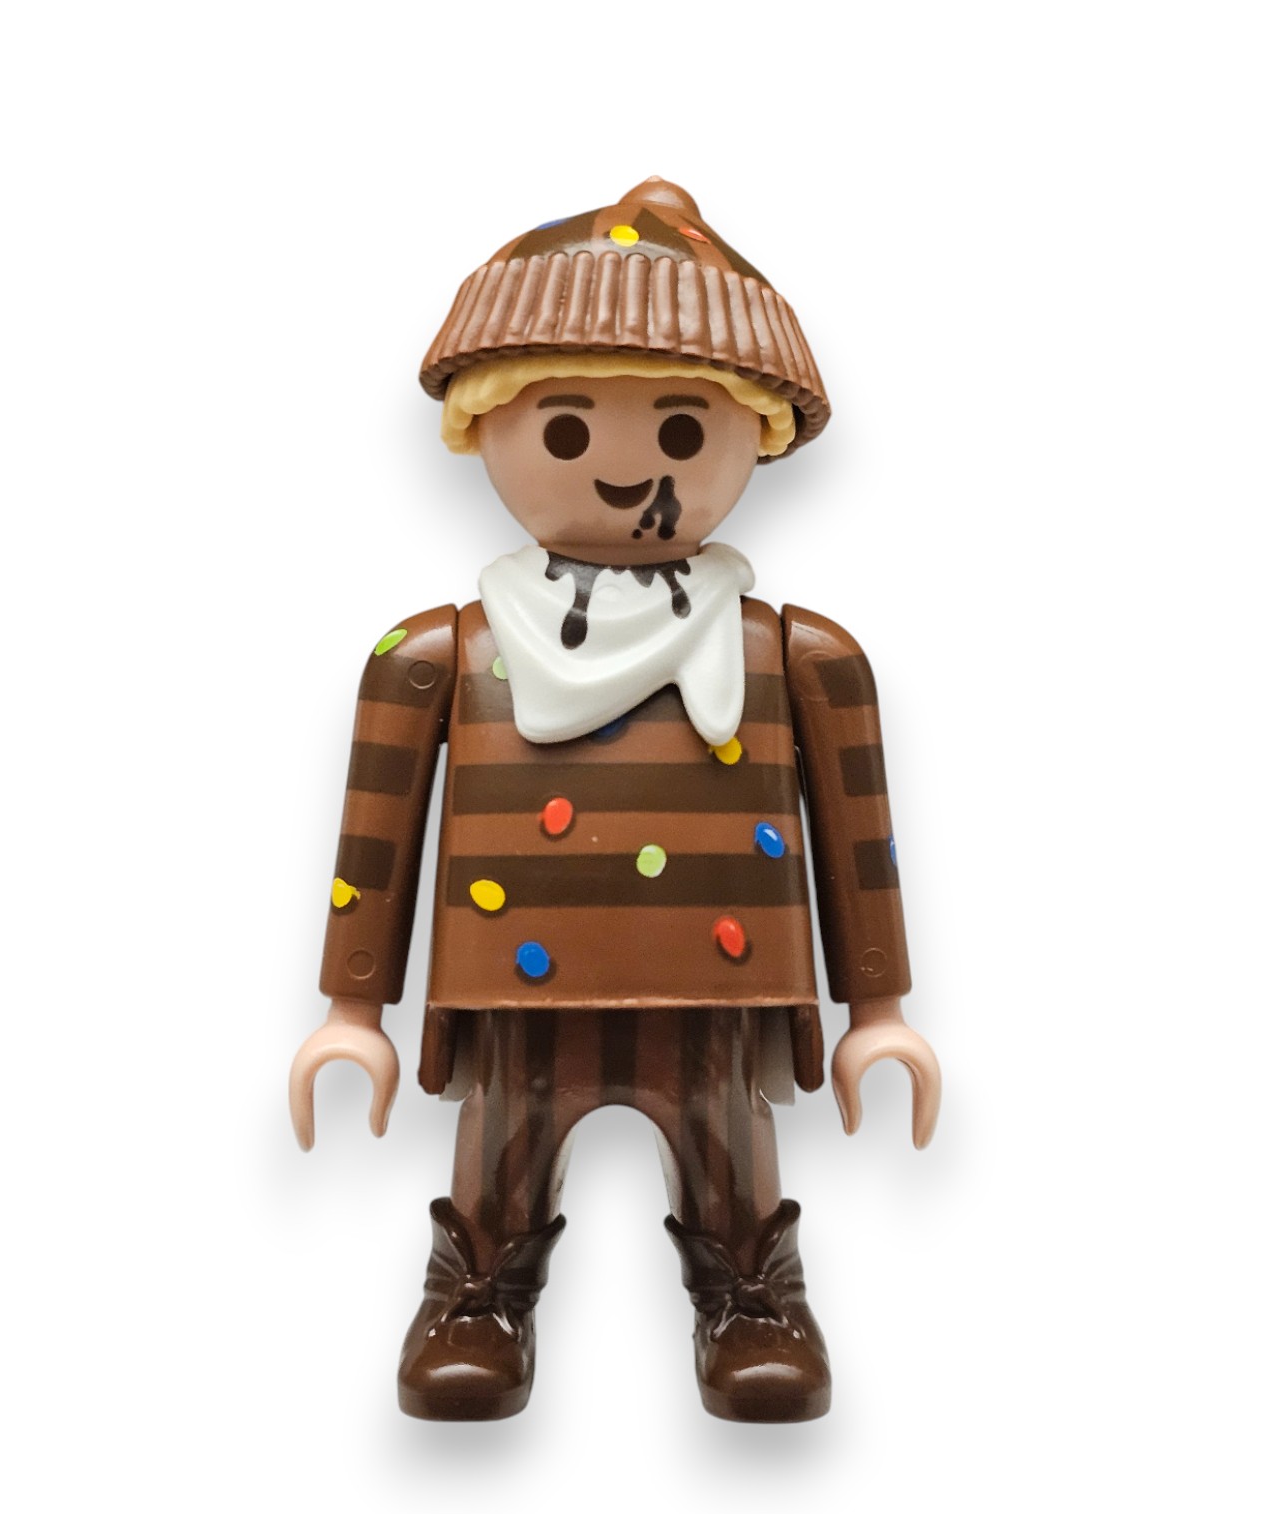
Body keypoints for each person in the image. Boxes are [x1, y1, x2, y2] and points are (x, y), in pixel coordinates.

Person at [288, 177, 941, 1423]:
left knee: (728, 1142)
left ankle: (750, 1292)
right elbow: (374, 836)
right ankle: (478, 1290)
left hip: (718, 990)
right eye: (568, 431)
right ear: (484, 430)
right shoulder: (437, 655)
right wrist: (350, 1006)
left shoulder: (797, 656)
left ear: (756, 437)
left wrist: (880, 1008)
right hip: (511, 989)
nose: (630, 466)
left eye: (682, 431)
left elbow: (861, 838)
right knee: (503, 1142)